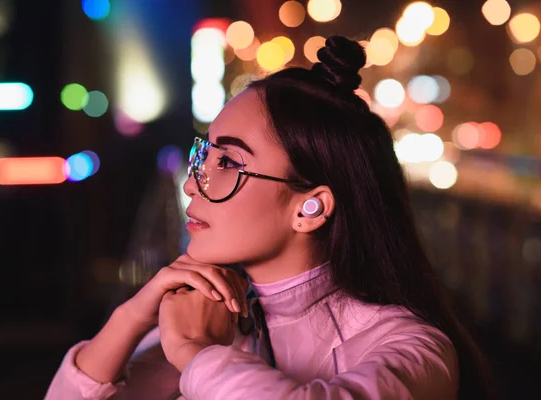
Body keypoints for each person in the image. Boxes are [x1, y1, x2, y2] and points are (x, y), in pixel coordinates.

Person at [46, 35, 491, 399]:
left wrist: (195, 352)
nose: (191, 184)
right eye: (205, 156)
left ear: (309, 207)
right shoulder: (212, 314)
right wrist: (130, 318)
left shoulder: (413, 349)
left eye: (229, 164)